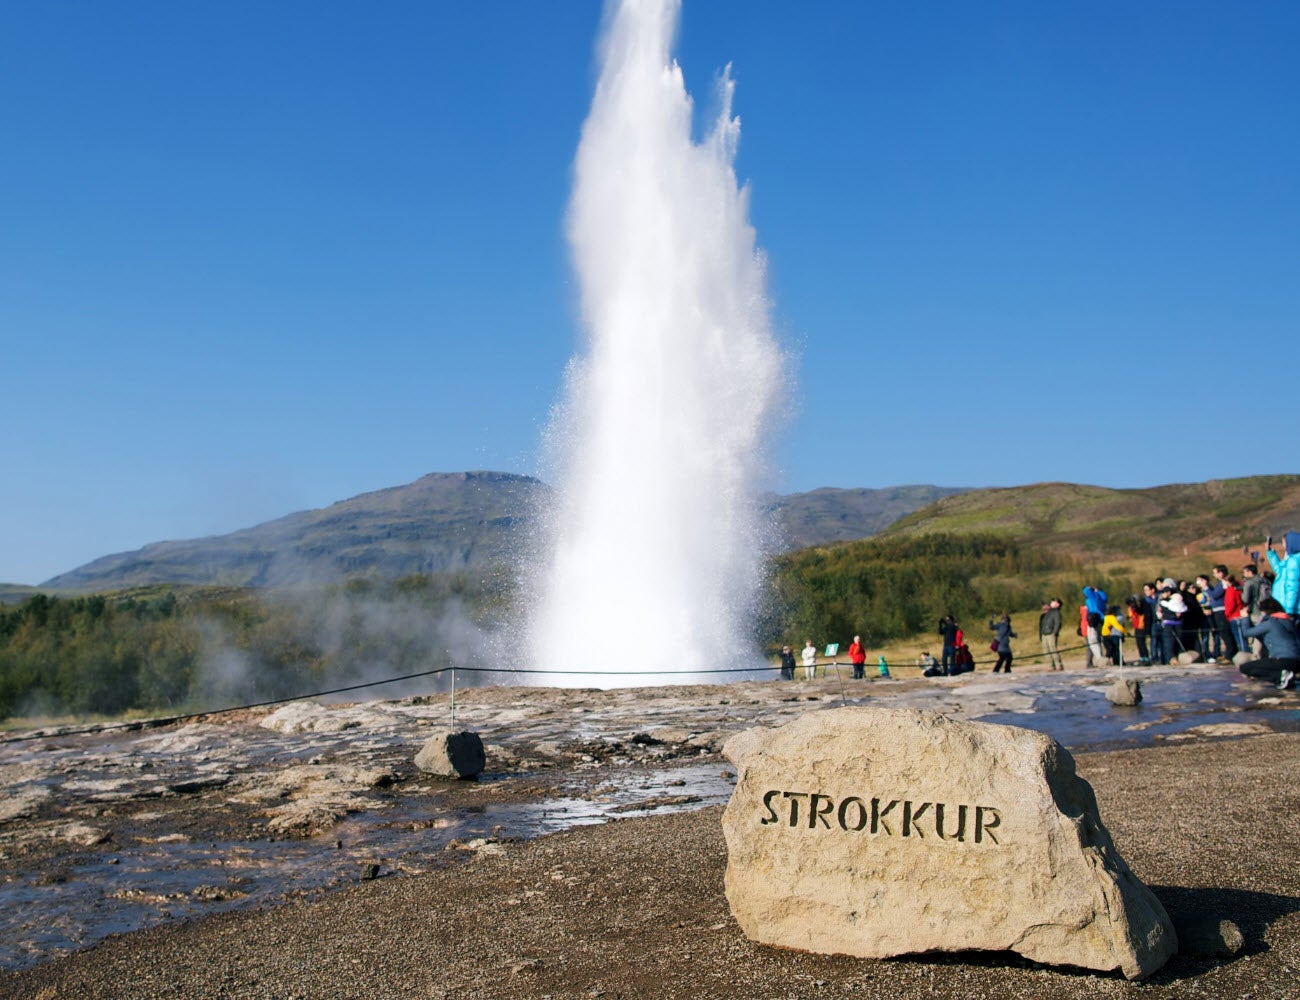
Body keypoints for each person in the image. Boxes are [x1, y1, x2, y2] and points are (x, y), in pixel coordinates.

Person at [1240, 598, 1300, 689]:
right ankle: (1287, 677)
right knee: (1264, 663)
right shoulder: (1288, 620)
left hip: (1282, 660)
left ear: (1264, 611)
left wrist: (1245, 618)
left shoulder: (1270, 623)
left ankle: (1280, 676)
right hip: (1297, 662)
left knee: (1245, 668)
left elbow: (1246, 633)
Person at [1265, 532, 1300, 620]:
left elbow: (1292, 587)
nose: (1284, 545)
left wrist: (1289, 611)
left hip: (1292, 608)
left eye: (1284, 542)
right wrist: (1270, 553)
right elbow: (1280, 570)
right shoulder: (1292, 559)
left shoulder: (1294, 561)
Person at [1082, 585, 1107, 666]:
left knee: (1093, 640)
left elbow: (1086, 591)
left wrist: (1088, 588)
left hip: (1094, 620)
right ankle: (1104, 657)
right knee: (1101, 639)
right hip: (1101, 619)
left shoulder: (1094, 596)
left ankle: (1100, 658)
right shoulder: (1102, 597)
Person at [1039, 599, 1064, 670]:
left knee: (1053, 649)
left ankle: (1058, 665)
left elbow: (1058, 623)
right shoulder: (1046, 614)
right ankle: (1051, 665)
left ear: (1058, 604)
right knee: (1046, 650)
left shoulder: (1056, 612)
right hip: (1044, 634)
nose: (1051, 603)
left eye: (1053, 602)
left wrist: (1055, 632)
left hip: (1051, 633)